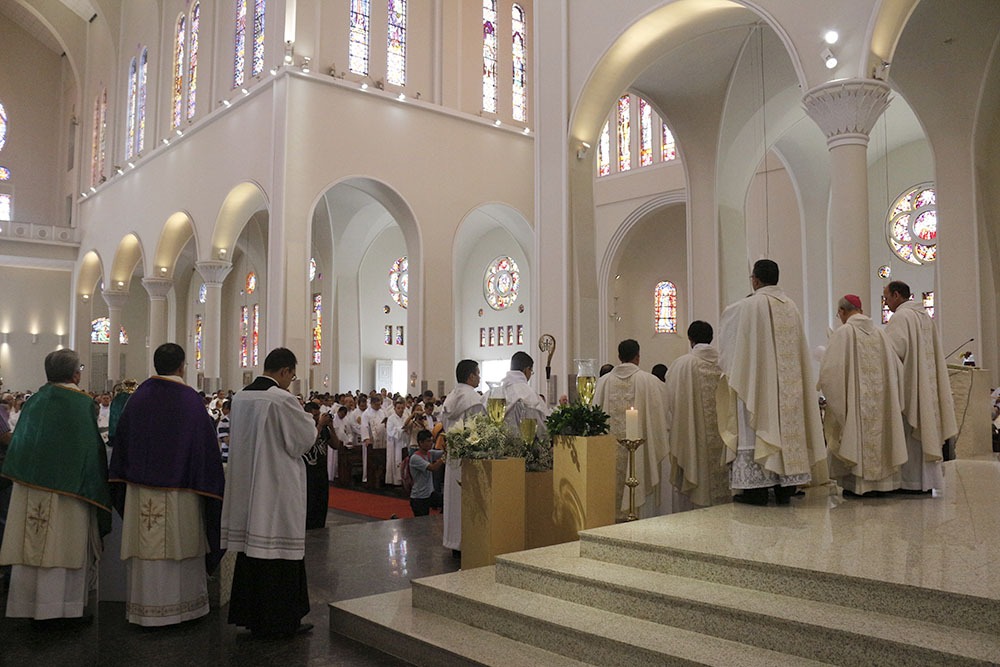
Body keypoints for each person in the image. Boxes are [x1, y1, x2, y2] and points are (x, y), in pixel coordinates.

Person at [108, 343, 225, 626]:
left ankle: (145, 609)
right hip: (180, 494)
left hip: (140, 492)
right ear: (182, 366)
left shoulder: (138, 398)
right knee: (180, 545)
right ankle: (184, 609)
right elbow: (206, 451)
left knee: (147, 551)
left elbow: (120, 444)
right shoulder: (189, 400)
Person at [0, 349, 112, 620]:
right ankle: (62, 609)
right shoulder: (81, 403)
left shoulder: (35, 401)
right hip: (69, 492)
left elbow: (21, 444)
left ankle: (27, 605)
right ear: (76, 373)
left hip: (30, 488)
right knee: (63, 545)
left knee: (32, 545)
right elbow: (89, 449)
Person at [221, 348, 319, 639]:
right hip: (275, 486)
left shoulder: (240, 397)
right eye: (292, 375)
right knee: (278, 550)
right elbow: (302, 440)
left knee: (252, 550)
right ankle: (281, 621)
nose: (291, 381)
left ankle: (251, 616)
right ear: (286, 371)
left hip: (248, 485)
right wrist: (315, 423)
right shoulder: (281, 399)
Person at [717, 259, 826, 505]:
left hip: (759, 387)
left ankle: (756, 490)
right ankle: (784, 488)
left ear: (755, 280)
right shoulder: (792, 307)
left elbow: (730, 342)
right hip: (790, 391)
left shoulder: (749, 306)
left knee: (756, 429)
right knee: (787, 432)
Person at [817, 296, 908, 495]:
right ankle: (882, 485)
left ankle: (859, 485)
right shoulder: (880, 334)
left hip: (857, 406)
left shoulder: (844, 333)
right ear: (860, 308)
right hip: (882, 405)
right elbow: (898, 370)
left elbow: (831, 373)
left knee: (855, 433)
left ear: (842, 311)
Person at [882, 280, 958, 493]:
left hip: (912, 387)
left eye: (887, 298)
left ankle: (912, 482)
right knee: (925, 431)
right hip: (927, 386)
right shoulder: (924, 316)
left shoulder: (902, 317)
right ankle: (927, 483)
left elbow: (892, 351)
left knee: (910, 435)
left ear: (897, 295)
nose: (886, 303)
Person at [593, 339, 670, 518]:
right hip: (640, 451)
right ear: (638, 357)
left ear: (619, 357)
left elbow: (594, 417)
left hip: (610, 453)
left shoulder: (603, 382)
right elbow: (662, 413)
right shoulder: (649, 381)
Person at [664, 321, 729, 507]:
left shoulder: (684, 364)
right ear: (712, 338)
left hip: (695, 443)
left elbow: (671, 400)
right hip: (724, 439)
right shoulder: (725, 363)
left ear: (690, 339)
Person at [439, 360, 486, 557]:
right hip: (468, 458)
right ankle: (467, 541)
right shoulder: (473, 399)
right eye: (478, 373)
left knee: (452, 500)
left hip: (452, 457)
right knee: (466, 500)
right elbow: (480, 429)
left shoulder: (450, 398)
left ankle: (453, 541)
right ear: (470, 376)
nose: (480, 377)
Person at [488, 351, 550, 439]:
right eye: (531, 371)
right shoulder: (529, 395)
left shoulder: (492, 393)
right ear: (526, 369)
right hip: (522, 448)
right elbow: (542, 429)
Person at [302, 402, 333, 529]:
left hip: (321, 471)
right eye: (315, 415)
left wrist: (331, 427)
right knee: (310, 503)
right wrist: (319, 425)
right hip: (308, 472)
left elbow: (335, 445)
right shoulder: (305, 428)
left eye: (318, 415)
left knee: (322, 502)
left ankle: (320, 527)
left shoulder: (324, 429)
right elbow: (309, 444)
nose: (317, 418)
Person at [408, 429, 445, 516]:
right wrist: (444, 457)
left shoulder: (429, 453)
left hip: (430, 494)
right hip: (419, 497)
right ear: (420, 443)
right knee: (421, 525)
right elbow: (433, 468)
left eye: (432, 441)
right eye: (428, 441)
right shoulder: (415, 458)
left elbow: (443, 452)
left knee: (446, 502)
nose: (431, 443)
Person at [385, 399, 409, 486]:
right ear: (395, 408)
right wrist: (401, 429)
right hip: (395, 443)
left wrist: (407, 430)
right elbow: (390, 431)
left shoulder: (405, 417)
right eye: (398, 408)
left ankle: (404, 479)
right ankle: (396, 480)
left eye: (402, 408)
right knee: (396, 460)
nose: (401, 410)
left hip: (404, 442)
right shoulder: (391, 419)